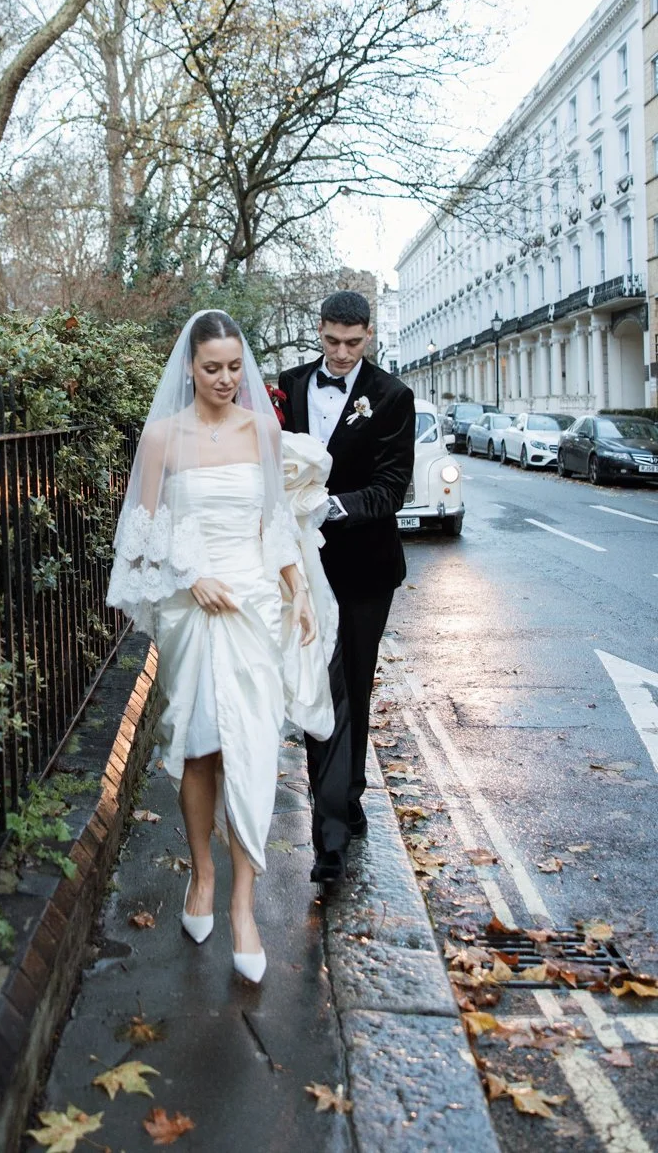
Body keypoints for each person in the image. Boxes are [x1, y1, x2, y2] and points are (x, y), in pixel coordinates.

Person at [107, 310, 333, 985]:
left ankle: (244, 904)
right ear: (190, 368)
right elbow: (141, 536)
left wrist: (297, 591)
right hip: (194, 611)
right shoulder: (161, 438)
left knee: (255, 751)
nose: (227, 380)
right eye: (213, 368)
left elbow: (276, 522)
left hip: (257, 604)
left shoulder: (262, 428)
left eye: (236, 367)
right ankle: (202, 875)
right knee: (203, 747)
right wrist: (190, 577)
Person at [278, 291, 414, 888]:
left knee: (353, 682)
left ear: (369, 336)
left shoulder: (392, 397)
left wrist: (331, 505)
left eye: (352, 344)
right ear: (319, 331)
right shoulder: (286, 384)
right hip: (302, 569)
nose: (339, 354)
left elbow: (391, 489)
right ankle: (331, 820)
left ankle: (348, 795)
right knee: (316, 681)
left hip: (364, 569)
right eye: (331, 341)